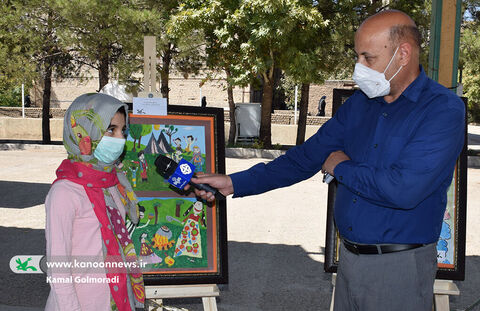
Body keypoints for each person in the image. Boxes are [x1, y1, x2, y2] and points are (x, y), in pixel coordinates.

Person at [187, 10, 465, 311]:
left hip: (399, 269)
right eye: (357, 56)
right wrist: (232, 183)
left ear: (404, 54)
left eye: (368, 58)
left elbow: (403, 189)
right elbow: (305, 158)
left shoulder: (441, 111)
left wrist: (340, 167)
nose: (359, 68)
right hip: (348, 262)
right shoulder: (360, 105)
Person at [45, 93, 145, 311]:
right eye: (111, 130)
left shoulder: (111, 183)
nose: (120, 138)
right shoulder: (64, 192)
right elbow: (58, 269)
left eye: (122, 130)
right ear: (83, 132)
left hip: (115, 300)